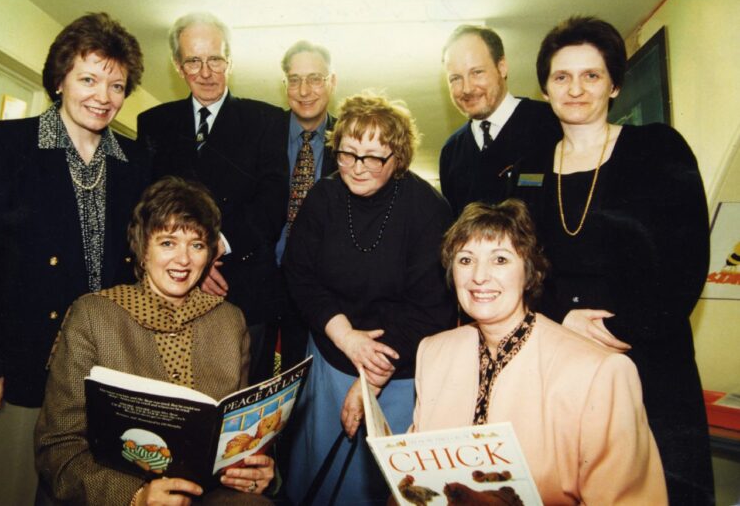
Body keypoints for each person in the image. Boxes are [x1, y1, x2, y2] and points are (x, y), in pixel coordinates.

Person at [0, 12, 151, 506]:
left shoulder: (138, 164)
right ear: (59, 80)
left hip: (104, 373)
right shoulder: (2, 145)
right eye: (88, 79)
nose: (102, 97)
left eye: (117, 85)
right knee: (6, 492)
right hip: (20, 363)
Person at [513, 16, 714, 504]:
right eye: (562, 77)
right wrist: (563, 319)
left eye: (591, 75)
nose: (575, 89)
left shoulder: (658, 149)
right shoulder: (527, 175)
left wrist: (619, 328)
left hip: (650, 356)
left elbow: (687, 263)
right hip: (562, 358)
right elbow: (519, 269)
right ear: (545, 89)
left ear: (615, 85)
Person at [34, 176, 275, 505]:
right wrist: (134, 496)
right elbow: (58, 446)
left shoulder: (229, 321)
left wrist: (254, 470)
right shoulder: (93, 315)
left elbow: (235, 437)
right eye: (167, 243)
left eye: (197, 244)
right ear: (142, 249)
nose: (183, 259)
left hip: (204, 493)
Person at [413, 199, 667, 504]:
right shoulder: (433, 353)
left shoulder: (600, 371)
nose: (479, 276)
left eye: (500, 260)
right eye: (465, 260)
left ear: (529, 272)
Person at [283, 92, 456, 504]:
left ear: (398, 158)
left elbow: (433, 308)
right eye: (348, 154)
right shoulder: (323, 198)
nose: (358, 168)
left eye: (374, 157)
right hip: (330, 356)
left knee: (380, 486)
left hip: (399, 368)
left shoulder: (428, 209)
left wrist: (372, 374)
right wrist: (344, 336)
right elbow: (299, 273)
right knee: (319, 476)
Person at [137, 11, 288, 385]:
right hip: (169, 290)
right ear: (177, 65)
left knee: (239, 408)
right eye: (193, 60)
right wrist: (188, 261)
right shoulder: (153, 123)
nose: (205, 72)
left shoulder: (267, 120)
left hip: (245, 289)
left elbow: (273, 200)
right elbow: (146, 208)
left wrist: (215, 247)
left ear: (230, 61)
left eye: (215, 59)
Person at [439, 25, 560, 216]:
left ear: (502, 67)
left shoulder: (552, 123)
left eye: (477, 72)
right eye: (455, 78)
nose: (467, 88)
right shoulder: (451, 152)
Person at [274, 40, 339, 372]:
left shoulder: (349, 142)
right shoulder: (262, 133)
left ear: (332, 81)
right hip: (263, 285)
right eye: (294, 79)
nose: (304, 90)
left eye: (315, 78)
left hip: (323, 289)